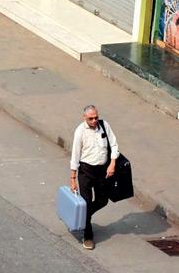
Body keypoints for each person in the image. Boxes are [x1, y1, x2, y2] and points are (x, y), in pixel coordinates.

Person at [69, 105, 118, 250]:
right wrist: (73, 178)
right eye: (91, 118)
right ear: (84, 118)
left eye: (96, 117)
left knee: (103, 200)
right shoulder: (80, 132)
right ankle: (88, 235)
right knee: (86, 201)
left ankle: (83, 216)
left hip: (102, 170)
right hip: (86, 171)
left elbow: (114, 145)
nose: (94, 120)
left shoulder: (104, 125)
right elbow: (75, 155)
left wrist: (112, 163)